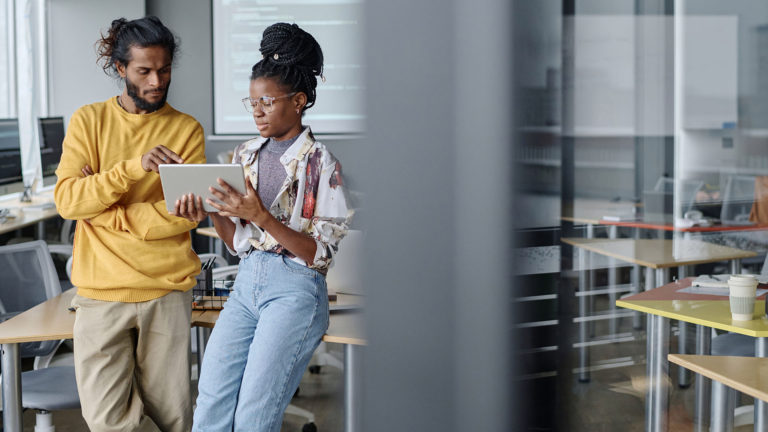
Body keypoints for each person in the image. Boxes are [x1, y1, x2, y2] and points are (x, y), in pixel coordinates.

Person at [175, 22, 352, 432]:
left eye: (267, 102)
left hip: (295, 290)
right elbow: (237, 242)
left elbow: (318, 256)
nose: (257, 111)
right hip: (247, 282)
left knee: (254, 417)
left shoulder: (322, 164)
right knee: (210, 408)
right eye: (251, 102)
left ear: (299, 101)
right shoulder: (244, 154)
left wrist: (262, 217)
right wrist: (211, 210)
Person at [54, 16, 205, 432]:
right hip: (102, 294)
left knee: (172, 417)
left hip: (166, 292)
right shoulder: (88, 121)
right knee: (105, 421)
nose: (157, 81)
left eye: (165, 69)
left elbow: (179, 216)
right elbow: (68, 200)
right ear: (120, 69)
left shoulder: (186, 129)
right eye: (144, 71)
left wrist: (103, 212)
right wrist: (134, 169)